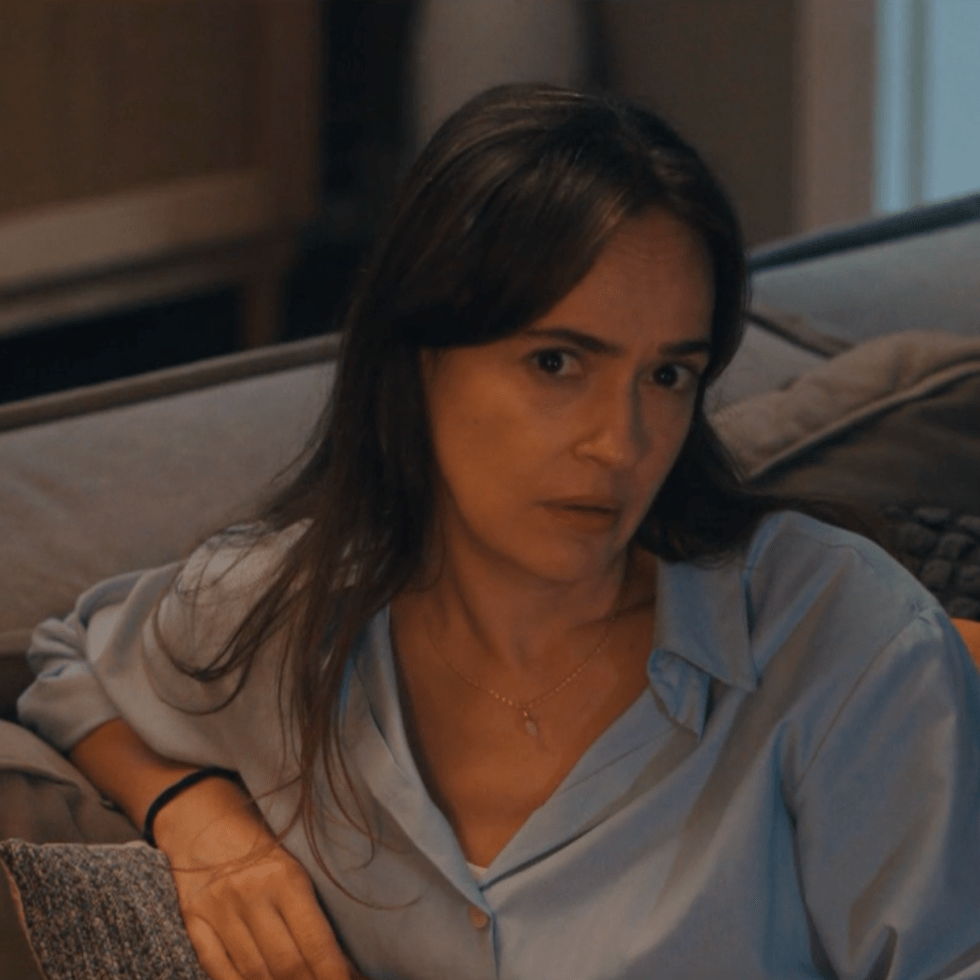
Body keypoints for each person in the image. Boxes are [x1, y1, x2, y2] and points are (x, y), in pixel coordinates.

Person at [18, 84, 980, 980]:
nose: (621, 443)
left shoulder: (839, 640)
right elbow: (69, 667)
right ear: (418, 359)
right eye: (558, 362)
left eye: (667, 376)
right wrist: (197, 818)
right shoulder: (281, 614)